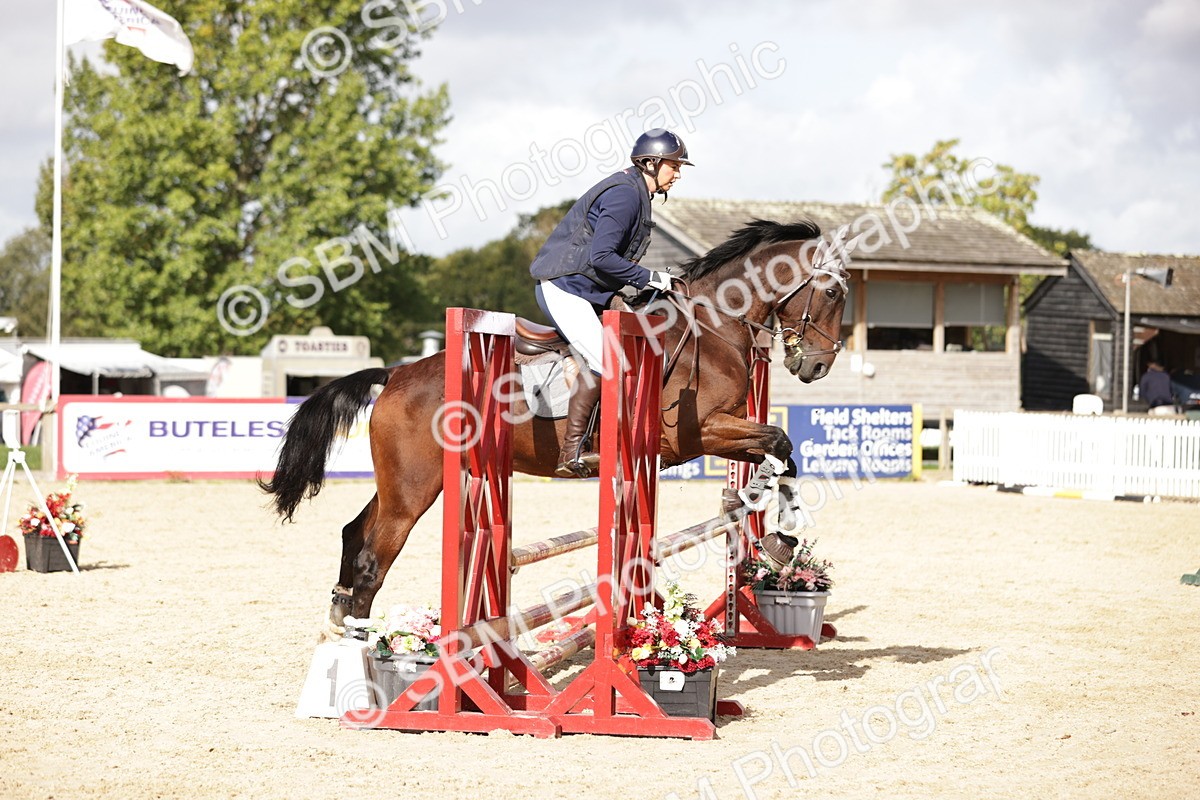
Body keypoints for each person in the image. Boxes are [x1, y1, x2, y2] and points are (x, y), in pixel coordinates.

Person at [530, 128, 691, 478]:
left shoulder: (638, 193)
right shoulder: (625, 195)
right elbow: (602, 257)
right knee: (607, 361)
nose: (678, 173)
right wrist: (650, 277)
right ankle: (572, 451)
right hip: (566, 287)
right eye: (674, 165)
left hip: (592, 291)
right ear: (651, 163)